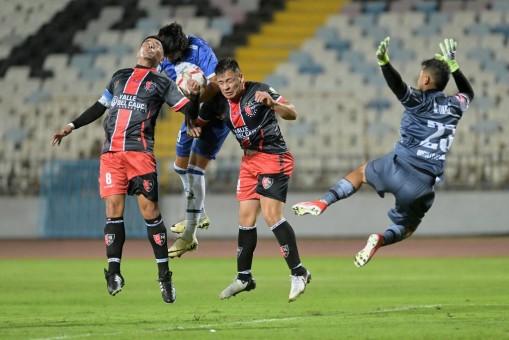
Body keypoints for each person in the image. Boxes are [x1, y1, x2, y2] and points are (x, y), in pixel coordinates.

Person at [293, 37, 474, 267]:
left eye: (420, 75)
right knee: (408, 227)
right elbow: (469, 93)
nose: (418, 78)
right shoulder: (455, 106)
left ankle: (324, 201)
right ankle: (380, 239)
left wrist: (384, 62)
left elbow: (397, 86)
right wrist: (455, 67)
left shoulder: (418, 101)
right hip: (421, 184)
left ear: (426, 79)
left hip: (395, 165)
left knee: (360, 173)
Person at [50, 36, 202, 303]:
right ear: (138, 50)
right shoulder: (119, 76)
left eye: (157, 46)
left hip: (139, 153)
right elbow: (100, 106)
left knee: (151, 213)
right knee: (113, 212)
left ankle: (164, 276)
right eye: (148, 43)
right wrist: (71, 126)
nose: (152, 45)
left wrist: (196, 95)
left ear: (161, 58)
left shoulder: (162, 82)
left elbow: (187, 110)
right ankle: (114, 273)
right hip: (111, 155)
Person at [187, 57, 311, 302]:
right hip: (249, 162)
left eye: (230, 80)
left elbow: (293, 113)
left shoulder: (260, 91)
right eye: (221, 82)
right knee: (245, 218)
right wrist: (192, 99)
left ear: (240, 78)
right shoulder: (218, 103)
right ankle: (244, 277)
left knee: (271, 215)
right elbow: (195, 122)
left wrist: (273, 103)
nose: (226, 86)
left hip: (274, 156)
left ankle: (299, 272)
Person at [157, 22, 230, 258]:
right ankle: (201, 213)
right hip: (192, 111)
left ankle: (188, 234)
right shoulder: (163, 57)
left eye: (174, 53)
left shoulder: (199, 49)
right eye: (167, 55)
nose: (171, 58)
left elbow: (216, 84)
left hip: (214, 111)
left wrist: (196, 96)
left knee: (195, 169)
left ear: (182, 44)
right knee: (179, 166)